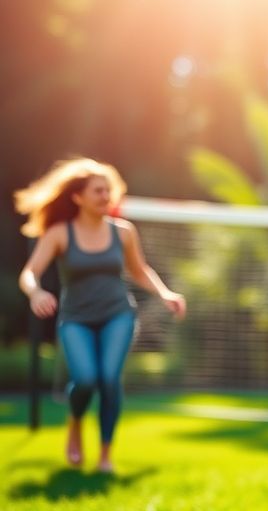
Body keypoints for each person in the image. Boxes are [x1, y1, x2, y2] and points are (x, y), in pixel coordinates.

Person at [15, 157, 186, 473]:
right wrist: (36, 292)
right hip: (75, 319)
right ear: (78, 197)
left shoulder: (123, 232)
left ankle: (105, 455)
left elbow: (139, 270)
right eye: (98, 191)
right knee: (86, 379)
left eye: (108, 190)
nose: (106, 197)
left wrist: (165, 293)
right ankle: (75, 421)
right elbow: (30, 273)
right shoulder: (59, 233)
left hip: (117, 315)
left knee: (109, 379)